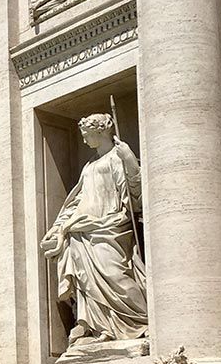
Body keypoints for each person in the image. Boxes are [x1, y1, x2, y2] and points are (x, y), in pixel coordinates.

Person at [42, 113, 148, 347]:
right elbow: (77, 200)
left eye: (87, 135)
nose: (84, 140)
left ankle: (138, 319)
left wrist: (129, 159)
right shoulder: (89, 166)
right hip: (82, 230)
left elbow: (134, 193)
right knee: (85, 280)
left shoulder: (117, 157)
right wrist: (60, 227)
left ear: (101, 132)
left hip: (110, 225)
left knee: (115, 273)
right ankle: (98, 326)